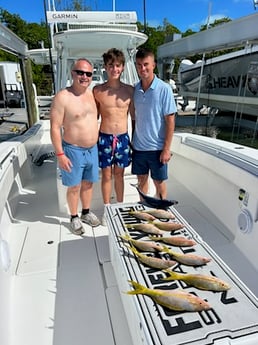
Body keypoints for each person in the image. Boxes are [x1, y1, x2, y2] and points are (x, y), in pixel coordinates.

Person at [50, 58, 101, 235]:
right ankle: (74, 216)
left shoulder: (92, 94)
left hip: (92, 149)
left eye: (88, 73)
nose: (84, 76)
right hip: (73, 150)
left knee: (88, 184)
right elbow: (55, 128)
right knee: (74, 186)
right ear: (72, 73)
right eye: (80, 72)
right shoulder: (62, 97)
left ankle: (86, 212)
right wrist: (60, 154)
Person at [93, 48, 134, 225]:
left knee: (120, 174)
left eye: (117, 65)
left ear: (123, 67)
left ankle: (119, 206)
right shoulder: (98, 91)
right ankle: (107, 209)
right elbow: (92, 117)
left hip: (123, 138)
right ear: (105, 67)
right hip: (104, 138)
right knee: (106, 174)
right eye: (111, 65)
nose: (114, 69)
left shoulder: (130, 91)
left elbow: (135, 117)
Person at [131, 48, 177, 201]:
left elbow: (170, 121)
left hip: (157, 149)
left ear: (154, 65)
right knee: (141, 181)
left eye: (146, 64)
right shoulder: (135, 89)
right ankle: (143, 210)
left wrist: (166, 149)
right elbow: (134, 118)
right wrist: (132, 140)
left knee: (159, 183)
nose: (142, 68)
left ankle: (162, 212)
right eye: (139, 65)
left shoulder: (164, 89)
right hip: (139, 148)